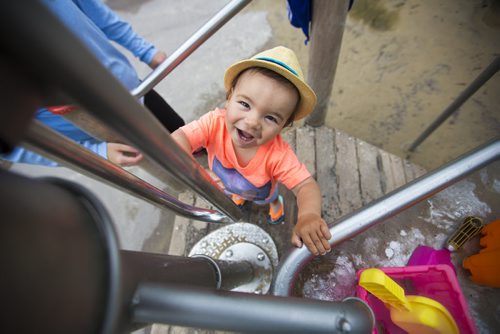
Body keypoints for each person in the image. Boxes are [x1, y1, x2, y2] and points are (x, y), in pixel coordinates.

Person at [172, 46, 331, 256]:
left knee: (270, 199)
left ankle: (276, 206)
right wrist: (195, 171)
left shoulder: (278, 154)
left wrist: (309, 215)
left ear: (283, 126)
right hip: (229, 186)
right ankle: (239, 198)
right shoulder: (213, 123)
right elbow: (178, 139)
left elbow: (305, 186)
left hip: (263, 192)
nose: (253, 122)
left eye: (271, 118)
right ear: (229, 98)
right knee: (235, 193)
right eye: (245, 104)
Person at [2, 0, 184, 167]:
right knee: (169, 169)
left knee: (182, 131)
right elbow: (9, 142)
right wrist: (94, 152)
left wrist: (143, 49)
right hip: (101, 131)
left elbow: (92, 8)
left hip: (129, 87)